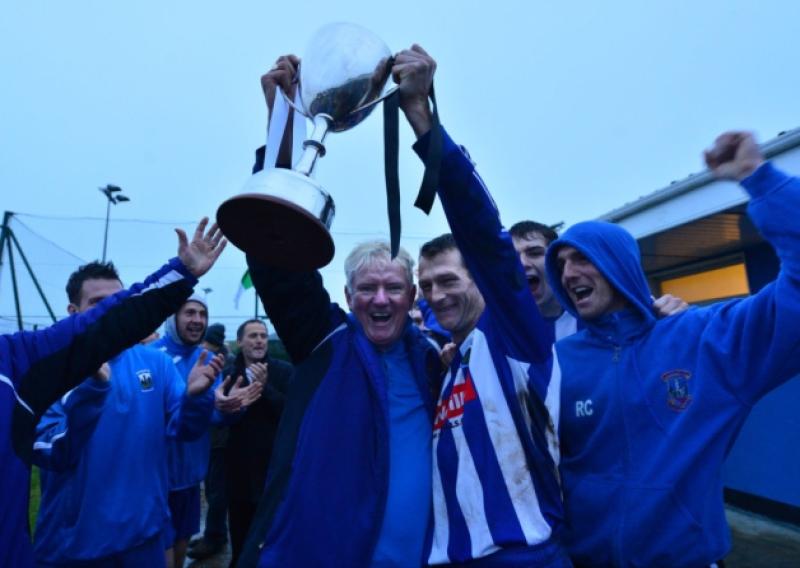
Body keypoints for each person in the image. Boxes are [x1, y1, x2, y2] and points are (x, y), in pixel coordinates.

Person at [542, 131, 800, 566]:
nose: (568, 273)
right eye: (561, 264)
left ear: (618, 265)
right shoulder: (557, 364)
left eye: (582, 258)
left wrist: (760, 178)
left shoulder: (704, 340)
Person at [392, 45, 568, 565]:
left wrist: (421, 116)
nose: (436, 294)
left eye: (448, 279)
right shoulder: (456, 358)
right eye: (426, 286)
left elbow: (483, 232)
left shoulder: (512, 331)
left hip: (522, 554)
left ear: (482, 281)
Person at [0, 218, 225, 568]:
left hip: (144, 538)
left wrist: (197, 399)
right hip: (73, 548)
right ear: (74, 314)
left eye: (118, 303)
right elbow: (50, 453)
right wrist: (90, 392)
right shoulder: (48, 372)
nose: (112, 313)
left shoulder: (157, 364)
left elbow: (184, 430)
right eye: (99, 304)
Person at [510, 220, 687, 340]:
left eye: (534, 253)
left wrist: (675, 316)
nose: (521, 263)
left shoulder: (607, 311)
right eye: (512, 257)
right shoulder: (508, 330)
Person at [154, 295, 222, 568]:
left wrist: (231, 408)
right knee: (162, 551)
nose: (197, 320)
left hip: (190, 478)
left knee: (182, 544)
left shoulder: (208, 360)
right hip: (156, 479)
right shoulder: (154, 358)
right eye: (190, 313)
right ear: (173, 318)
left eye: (202, 314)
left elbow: (212, 415)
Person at [222, 319, 293, 566]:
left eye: (263, 335)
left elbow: (291, 414)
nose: (260, 340)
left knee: (271, 540)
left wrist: (264, 389)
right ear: (240, 342)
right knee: (241, 540)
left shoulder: (284, 371)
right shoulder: (229, 374)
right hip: (239, 471)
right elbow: (221, 419)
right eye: (252, 336)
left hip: (273, 469)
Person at [188, 323, 231, 562]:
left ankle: (214, 537)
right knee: (214, 490)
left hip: (218, 440)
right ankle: (214, 534)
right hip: (212, 438)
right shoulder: (219, 357)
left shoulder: (218, 361)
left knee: (216, 493)